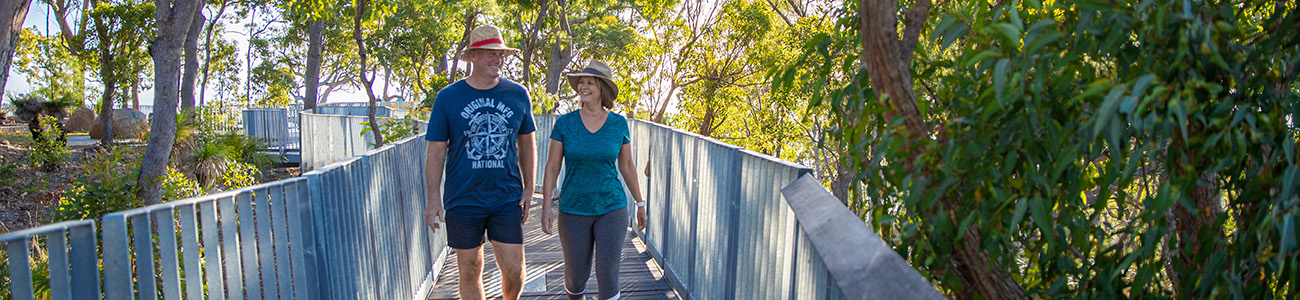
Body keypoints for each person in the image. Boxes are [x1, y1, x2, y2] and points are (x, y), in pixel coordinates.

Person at [424, 25, 535, 300]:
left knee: (514, 270)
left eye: (501, 54)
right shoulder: (448, 98)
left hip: (505, 196)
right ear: (472, 56)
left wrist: (530, 187)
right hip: (463, 198)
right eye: (490, 54)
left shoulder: (518, 94)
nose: (498, 59)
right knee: (470, 268)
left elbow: (527, 143)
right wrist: (432, 199)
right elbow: (436, 151)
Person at [540, 60, 648, 300]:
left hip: (611, 206)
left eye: (590, 82)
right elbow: (552, 166)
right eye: (581, 82)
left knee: (608, 273)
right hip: (573, 207)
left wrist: (640, 203)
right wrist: (546, 207)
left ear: (602, 88)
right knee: (576, 276)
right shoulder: (565, 123)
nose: (583, 86)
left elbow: (628, 166)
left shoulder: (618, 123)